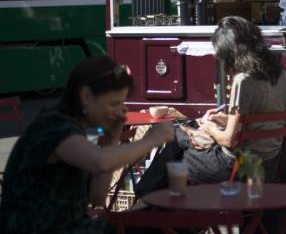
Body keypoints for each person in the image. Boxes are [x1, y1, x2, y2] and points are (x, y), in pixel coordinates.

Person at [0, 56, 175, 233]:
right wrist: (152, 139)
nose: (120, 111)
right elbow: (100, 161)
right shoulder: (53, 126)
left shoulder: (71, 127)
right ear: (86, 96)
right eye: (113, 103)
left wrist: (111, 139)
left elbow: (97, 197)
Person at [136, 16, 286, 196]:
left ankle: (146, 202)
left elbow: (229, 140)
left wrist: (211, 128)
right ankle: (157, 209)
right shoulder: (281, 74)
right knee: (179, 136)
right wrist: (223, 118)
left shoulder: (243, 80)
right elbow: (264, 121)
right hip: (269, 165)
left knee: (175, 155)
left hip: (237, 167)